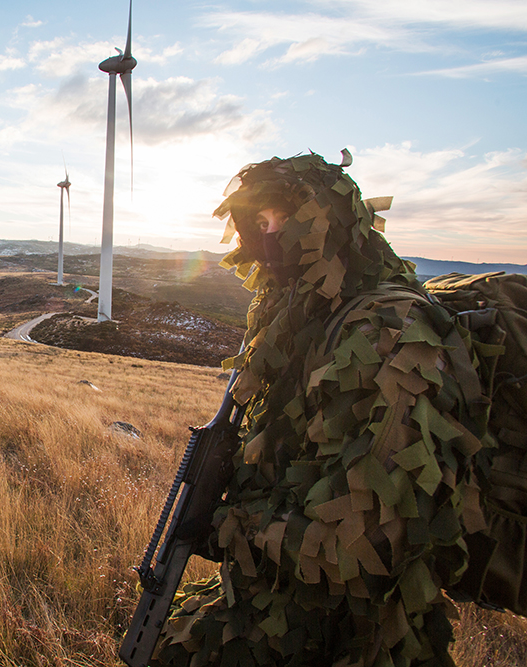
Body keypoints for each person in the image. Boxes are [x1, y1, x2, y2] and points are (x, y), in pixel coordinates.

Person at [152, 153, 493, 667]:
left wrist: (225, 527)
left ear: (330, 221)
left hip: (350, 635)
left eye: (286, 219)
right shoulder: (305, 314)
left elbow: (368, 541)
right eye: (259, 223)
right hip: (282, 602)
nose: (270, 237)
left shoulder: (387, 332)